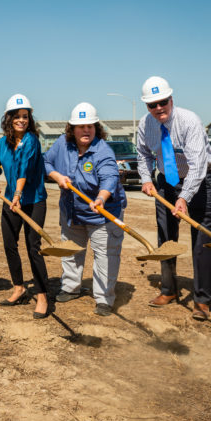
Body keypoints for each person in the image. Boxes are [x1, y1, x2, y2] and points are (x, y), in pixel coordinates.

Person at [136, 76, 211, 321]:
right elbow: (142, 154)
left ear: (171, 99)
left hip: (198, 181)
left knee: (201, 237)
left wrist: (184, 197)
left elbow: (197, 165)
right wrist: (146, 179)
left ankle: (202, 300)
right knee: (166, 237)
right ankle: (169, 290)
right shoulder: (145, 125)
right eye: (152, 105)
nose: (158, 108)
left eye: (163, 102)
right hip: (166, 182)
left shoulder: (189, 121)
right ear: (147, 107)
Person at [44, 102, 126, 317]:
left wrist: (101, 197)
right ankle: (71, 287)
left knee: (105, 256)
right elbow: (46, 162)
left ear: (96, 128)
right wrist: (56, 176)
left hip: (102, 213)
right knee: (71, 250)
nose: (86, 130)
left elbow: (110, 177)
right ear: (72, 128)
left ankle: (104, 298)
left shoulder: (103, 151)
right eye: (81, 126)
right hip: (72, 211)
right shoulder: (62, 144)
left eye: (90, 126)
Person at [0, 94, 49, 319]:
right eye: (17, 116)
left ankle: (42, 295)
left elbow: (24, 168)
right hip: (10, 201)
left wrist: (17, 194)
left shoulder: (32, 140)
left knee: (33, 246)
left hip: (33, 201)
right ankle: (19, 288)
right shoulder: (3, 142)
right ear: (9, 118)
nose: (22, 120)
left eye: (25, 116)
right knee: (9, 244)